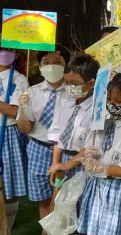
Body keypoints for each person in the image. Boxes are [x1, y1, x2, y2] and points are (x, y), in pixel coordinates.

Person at [77, 74, 121, 234]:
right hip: (98, 186)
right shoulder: (106, 123)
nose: (112, 105)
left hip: (117, 190)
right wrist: (89, 155)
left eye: (118, 101)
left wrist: (100, 167)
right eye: (109, 100)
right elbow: (92, 147)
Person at [16, 45, 71, 219]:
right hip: (39, 149)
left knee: (67, 197)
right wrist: (23, 110)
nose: (52, 66)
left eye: (57, 62)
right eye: (46, 62)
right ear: (39, 67)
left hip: (68, 151)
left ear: (66, 64)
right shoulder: (31, 93)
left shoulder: (75, 91)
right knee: (44, 199)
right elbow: (25, 128)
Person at [46, 54, 100, 184]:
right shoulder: (65, 102)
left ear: (91, 83)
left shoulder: (97, 111)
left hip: (83, 165)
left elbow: (91, 146)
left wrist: (66, 166)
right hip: (62, 159)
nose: (70, 87)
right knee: (58, 200)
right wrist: (56, 165)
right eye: (67, 83)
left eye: (74, 83)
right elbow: (58, 136)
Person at [0, 47, 29, 231]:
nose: (4, 53)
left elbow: (16, 111)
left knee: (9, 184)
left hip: (8, 134)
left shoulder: (19, 79)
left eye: (8, 49)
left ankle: (6, 227)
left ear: (16, 54)